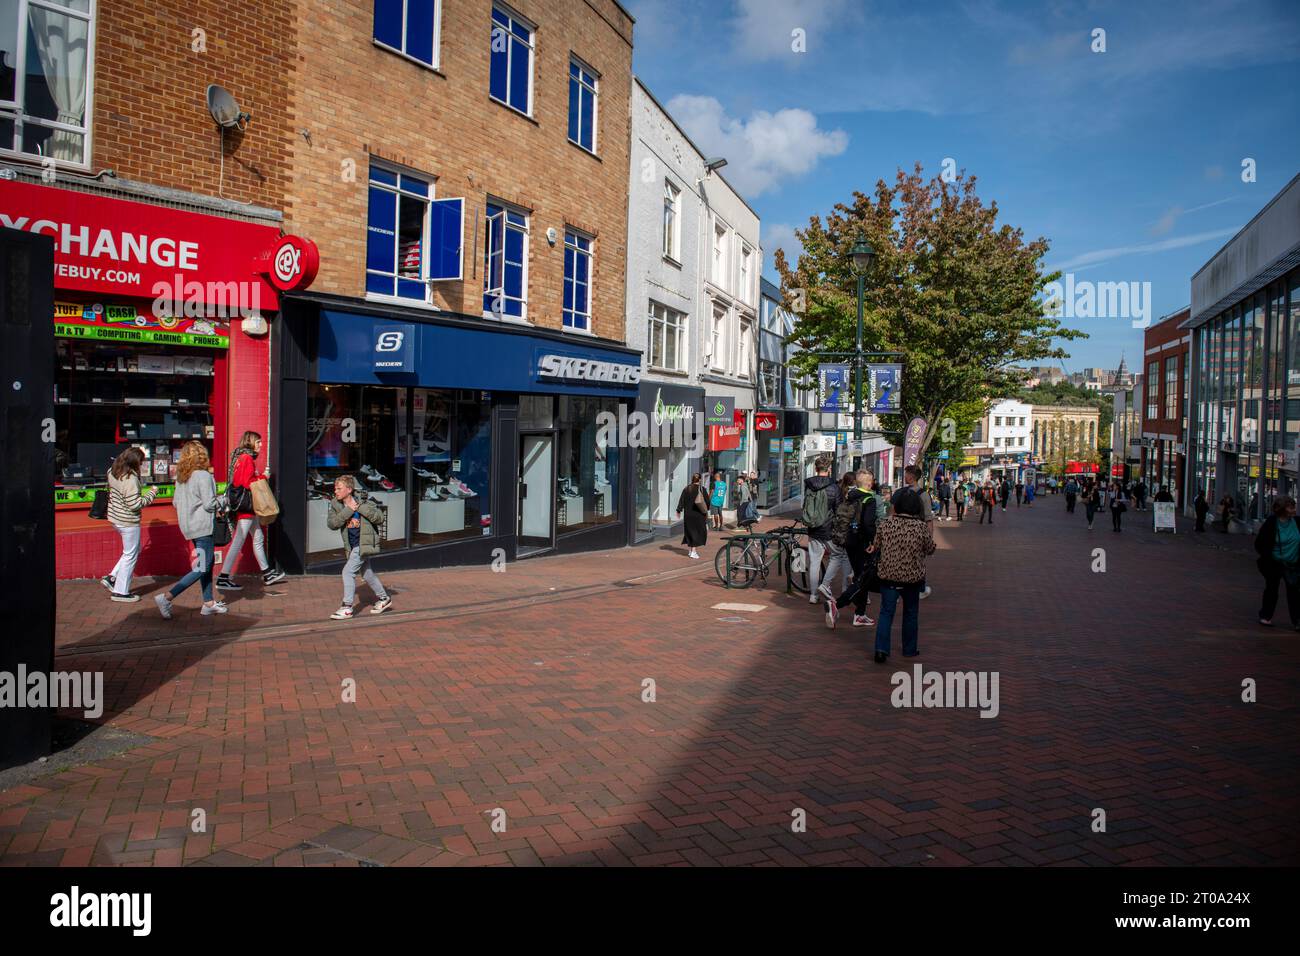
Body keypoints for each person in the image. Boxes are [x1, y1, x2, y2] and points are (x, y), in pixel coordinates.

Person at [155, 441, 227, 618]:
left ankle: (208, 602)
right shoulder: (203, 475)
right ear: (202, 455)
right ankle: (167, 597)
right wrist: (224, 500)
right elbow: (210, 505)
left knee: (206, 565)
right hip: (203, 528)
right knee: (203, 566)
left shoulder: (182, 477)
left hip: (190, 527)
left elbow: (175, 502)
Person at [869, 487, 936, 664]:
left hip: (889, 575)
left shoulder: (885, 523)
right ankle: (909, 649)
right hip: (912, 577)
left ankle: (881, 649)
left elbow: (876, 545)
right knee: (911, 613)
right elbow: (930, 549)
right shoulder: (920, 527)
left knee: (886, 612)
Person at [216, 431, 287, 591]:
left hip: (246, 506)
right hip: (247, 506)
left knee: (258, 538)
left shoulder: (239, 457)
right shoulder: (247, 458)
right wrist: (263, 477)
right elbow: (246, 483)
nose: (261, 445)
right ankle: (223, 576)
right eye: (258, 442)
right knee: (238, 540)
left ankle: (267, 574)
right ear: (251, 442)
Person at [326, 475, 393, 619]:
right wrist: (348, 510)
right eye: (335, 488)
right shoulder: (335, 504)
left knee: (347, 572)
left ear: (349, 489)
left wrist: (360, 508)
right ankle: (384, 598)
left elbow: (380, 518)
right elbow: (332, 524)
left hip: (363, 545)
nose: (336, 491)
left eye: (339, 488)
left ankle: (347, 607)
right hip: (351, 546)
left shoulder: (364, 501)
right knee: (367, 574)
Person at [824, 469, 880, 629]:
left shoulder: (850, 495)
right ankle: (837, 604)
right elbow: (868, 524)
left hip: (849, 539)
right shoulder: (869, 499)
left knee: (860, 577)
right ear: (869, 483)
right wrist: (872, 541)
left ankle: (860, 614)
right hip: (862, 542)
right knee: (864, 579)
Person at [103, 447, 158, 603]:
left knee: (133, 550)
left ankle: (112, 578)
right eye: (141, 462)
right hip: (128, 521)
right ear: (135, 462)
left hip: (115, 518)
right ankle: (120, 591)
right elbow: (135, 504)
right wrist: (152, 493)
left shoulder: (112, 471)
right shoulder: (130, 479)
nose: (141, 465)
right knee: (130, 556)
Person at [804, 456, 848, 605]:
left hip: (813, 528)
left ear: (816, 469)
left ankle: (813, 595)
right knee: (837, 555)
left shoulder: (809, 485)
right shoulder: (834, 487)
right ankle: (825, 585)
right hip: (829, 529)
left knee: (815, 561)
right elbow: (839, 510)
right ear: (828, 469)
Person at [1255, 496, 1300, 629]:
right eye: (1291, 507)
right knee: (1272, 589)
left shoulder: (1297, 522)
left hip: (1293, 563)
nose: (1294, 510)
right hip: (1274, 563)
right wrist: (1268, 556)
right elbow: (1259, 543)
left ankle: (1297, 620)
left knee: (1295, 592)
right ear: (1282, 509)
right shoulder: (1271, 522)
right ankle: (1266, 616)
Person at [676, 472, 709, 560]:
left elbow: (681, 500)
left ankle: (691, 550)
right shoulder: (702, 489)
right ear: (700, 480)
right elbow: (707, 502)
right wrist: (706, 511)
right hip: (698, 515)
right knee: (697, 532)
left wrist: (679, 510)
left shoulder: (687, 489)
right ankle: (693, 551)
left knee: (690, 531)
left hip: (688, 514)